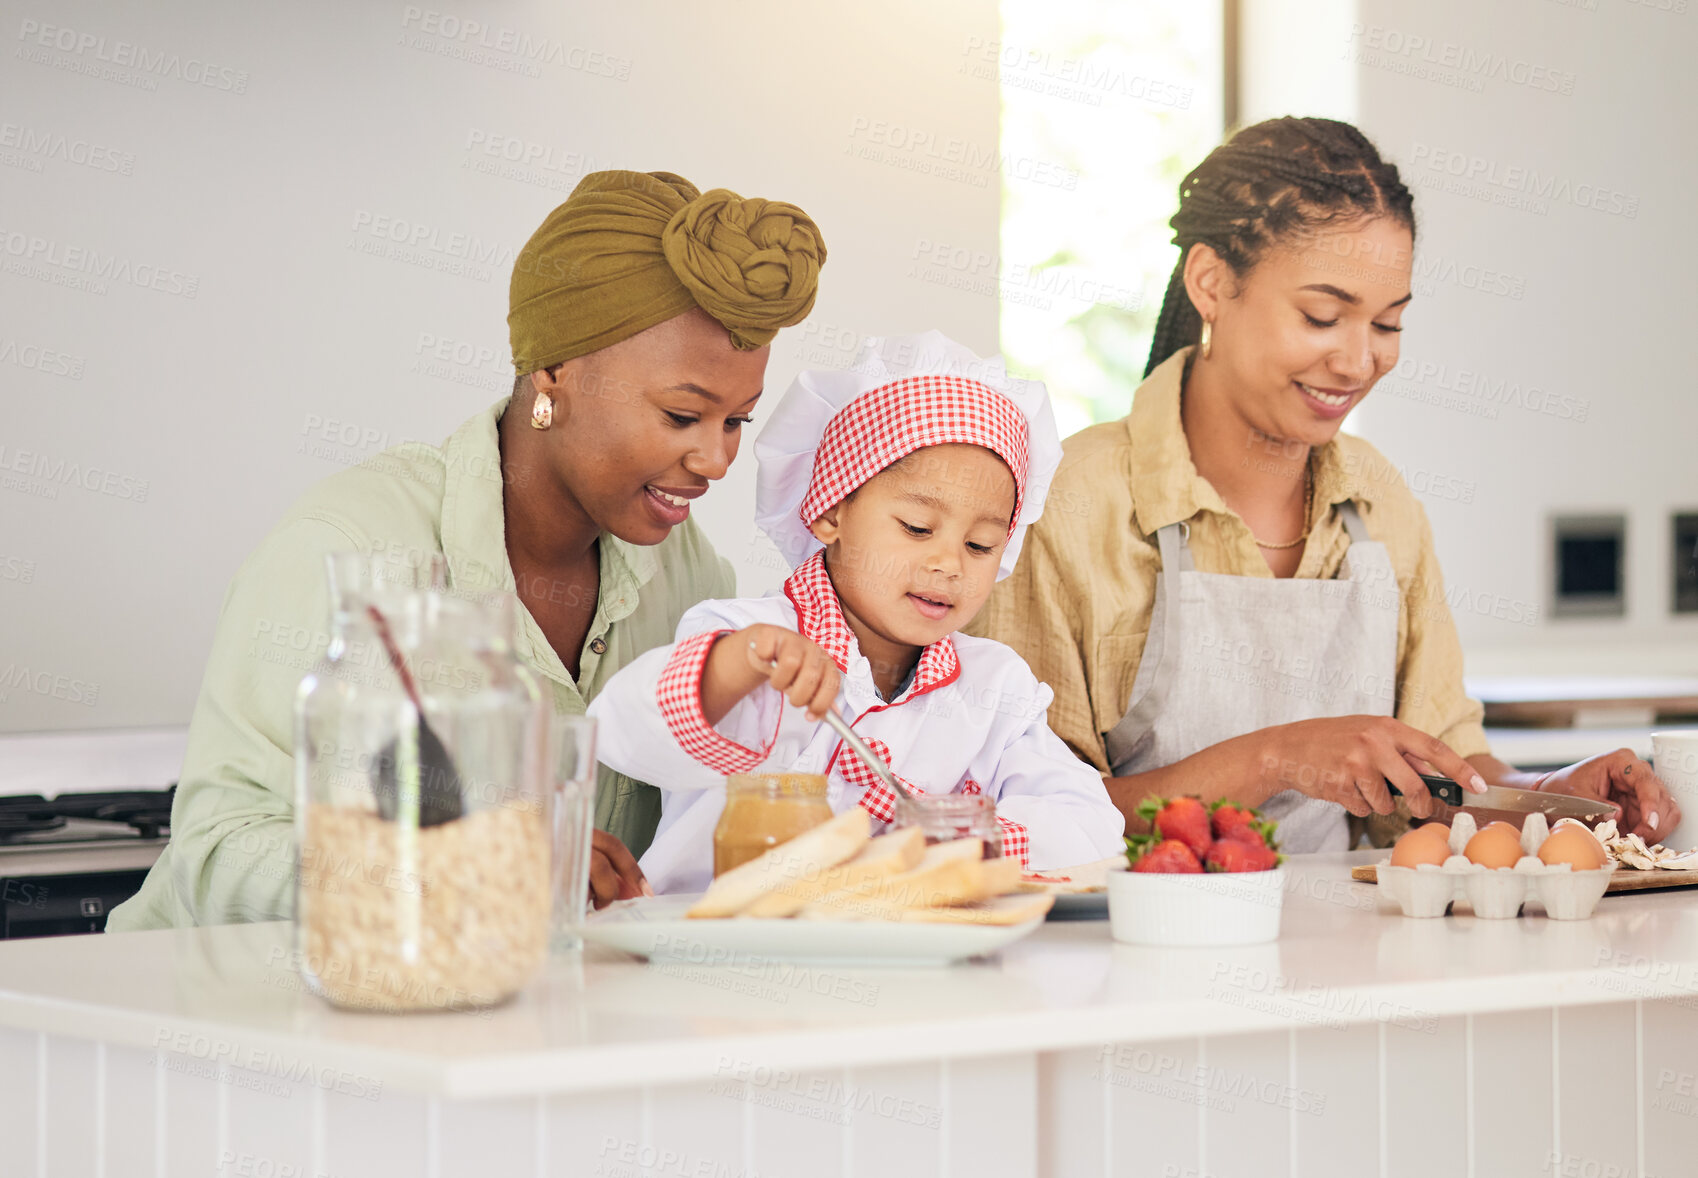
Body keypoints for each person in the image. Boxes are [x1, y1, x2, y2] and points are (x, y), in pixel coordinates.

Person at [106, 170, 827, 929]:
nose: (716, 460)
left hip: (501, 1024)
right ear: (554, 372)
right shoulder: (349, 547)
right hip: (218, 1027)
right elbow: (216, 854)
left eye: (736, 421)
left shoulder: (688, 577)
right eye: (683, 415)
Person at [969, 117, 1678, 852]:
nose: (1356, 361)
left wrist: (1557, 798)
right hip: (1127, 949)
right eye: (1322, 316)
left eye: (1388, 325)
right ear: (1212, 284)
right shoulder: (1073, 503)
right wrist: (1278, 756)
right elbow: (1026, 817)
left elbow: (1445, 772)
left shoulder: (1378, 499)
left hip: (1350, 953)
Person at [588, 332, 1126, 894]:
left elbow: (1090, 823)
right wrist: (736, 664)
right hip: (725, 958)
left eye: (981, 544)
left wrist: (956, 843)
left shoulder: (994, 688)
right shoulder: (748, 638)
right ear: (830, 512)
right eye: (917, 529)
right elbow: (625, 734)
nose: (948, 564)